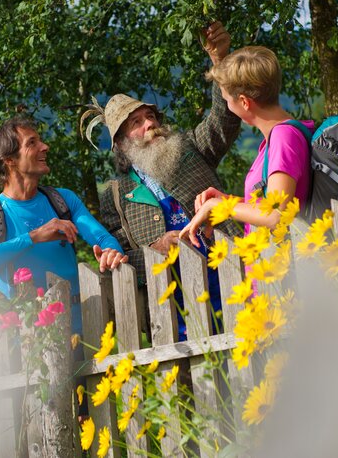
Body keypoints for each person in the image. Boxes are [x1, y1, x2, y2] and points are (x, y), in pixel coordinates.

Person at [82, 22, 242, 339]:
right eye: (137, 123)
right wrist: (158, 248)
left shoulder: (192, 148)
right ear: (121, 143)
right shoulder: (115, 196)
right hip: (175, 311)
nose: (150, 125)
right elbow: (123, 260)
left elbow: (223, 119)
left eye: (151, 117)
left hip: (232, 277)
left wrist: (220, 63)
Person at [0, 115, 127, 334]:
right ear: (9, 159)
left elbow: (104, 239)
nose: (45, 147)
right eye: (32, 143)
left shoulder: (63, 200)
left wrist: (112, 252)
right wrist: (33, 237)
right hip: (22, 343)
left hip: (80, 334)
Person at [180, 45, 315, 245]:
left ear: (244, 101)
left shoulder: (284, 138)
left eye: (226, 99)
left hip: (282, 272)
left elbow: (276, 215)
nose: (227, 106)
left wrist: (220, 207)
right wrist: (228, 202)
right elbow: (269, 205)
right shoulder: (276, 139)